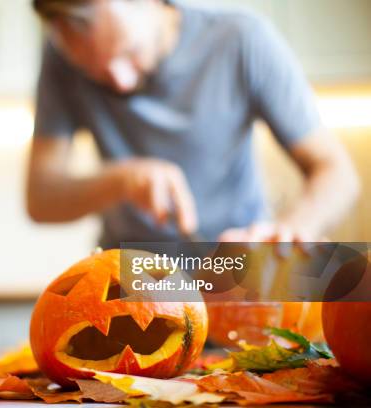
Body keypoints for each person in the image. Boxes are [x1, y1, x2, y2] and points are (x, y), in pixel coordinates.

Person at [26, 0, 360, 247]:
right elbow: (41, 199)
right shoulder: (59, 60)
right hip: (133, 285)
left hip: (238, 275)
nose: (121, 83)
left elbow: (337, 172)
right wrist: (122, 180)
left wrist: (292, 229)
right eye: (95, 72)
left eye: (130, 53)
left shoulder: (240, 39)